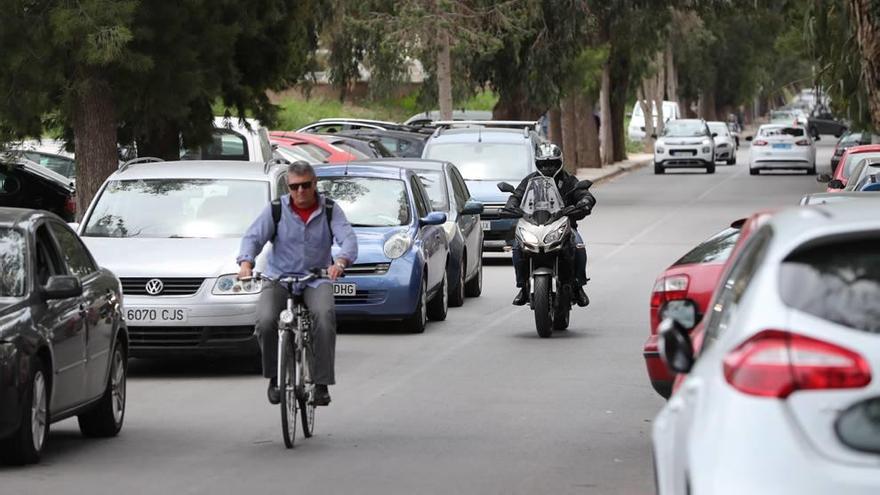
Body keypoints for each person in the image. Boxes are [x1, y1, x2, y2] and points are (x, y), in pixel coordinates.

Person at [237, 161, 357, 406]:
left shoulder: (331, 210)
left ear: (315, 184)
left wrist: (341, 262)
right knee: (266, 320)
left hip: (315, 278)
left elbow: (348, 239)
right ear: (288, 187)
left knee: (324, 316)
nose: (300, 191)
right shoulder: (275, 210)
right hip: (279, 278)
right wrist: (246, 264)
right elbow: (253, 237)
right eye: (294, 187)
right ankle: (274, 378)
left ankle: (321, 384)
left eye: (305, 185)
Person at [505, 143, 595, 307]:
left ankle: (578, 286)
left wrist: (585, 201)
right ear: (538, 163)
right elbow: (517, 196)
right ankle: (523, 287)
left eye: (552, 163)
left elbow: (583, 193)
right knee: (517, 247)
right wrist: (511, 205)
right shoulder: (530, 180)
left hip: (563, 223)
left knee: (579, 245)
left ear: (559, 162)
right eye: (544, 164)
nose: (548, 167)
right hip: (534, 224)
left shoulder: (569, 180)